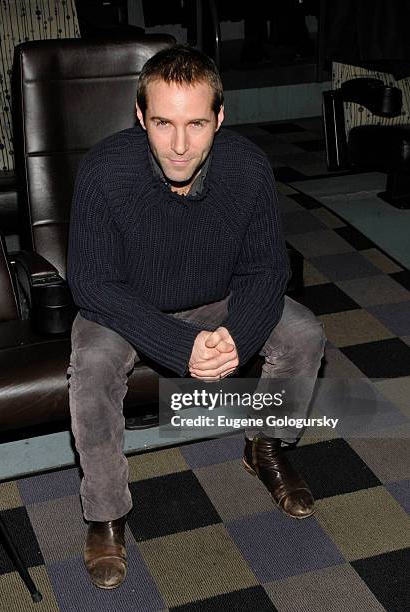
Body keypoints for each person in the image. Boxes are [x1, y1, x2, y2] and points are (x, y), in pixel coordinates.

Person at [67, 44, 326, 590]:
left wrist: (236, 338)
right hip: (125, 306)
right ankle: (105, 513)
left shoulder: (247, 166)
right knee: (91, 370)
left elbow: (265, 269)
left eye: (196, 124)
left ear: (220, 119)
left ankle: (266, 445)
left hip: (218, 298)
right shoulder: (105, 171)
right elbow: (92, 283)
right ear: (141, 116)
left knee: (304, 334)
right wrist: (179, 345)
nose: (180, 145)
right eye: (162, 123)